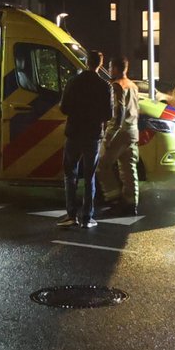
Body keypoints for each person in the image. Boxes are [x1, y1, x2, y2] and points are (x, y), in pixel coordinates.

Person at [57, 49, 113, 229]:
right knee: (89, 177)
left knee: (70, 174)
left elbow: (64, 108)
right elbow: (108, 114)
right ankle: (87, 217)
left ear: (86, 62)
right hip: (93, 135)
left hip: (74, 132)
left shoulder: (73, 82)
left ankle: (71, 214)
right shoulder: (105, 86)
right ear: (100, 64)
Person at [98, 57, 140, 215]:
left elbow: (119, 111)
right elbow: (137, 109)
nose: (109, 70)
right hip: (133, 131)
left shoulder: (117, 86)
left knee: (102, 164)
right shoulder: (133, 86)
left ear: (116, 68)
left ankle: (113, 197)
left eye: (110, 67)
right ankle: (131, 202)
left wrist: (109, 136)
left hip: (120, 132)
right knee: (128, 168)